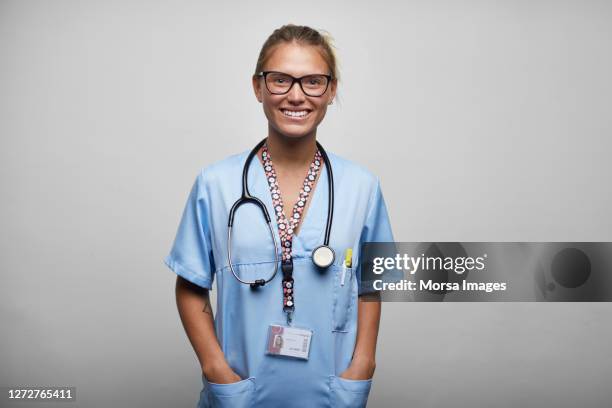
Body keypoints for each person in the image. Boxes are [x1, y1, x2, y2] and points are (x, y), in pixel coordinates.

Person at [164, 24, 394, 408]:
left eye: (313, 82)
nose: (296, 95)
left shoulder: (362, 187)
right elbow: (190, 284)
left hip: (331, 392)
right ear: (258, 87)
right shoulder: (215, 184)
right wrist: (215, 367)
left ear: (331, 90)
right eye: (280, 80)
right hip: (242, 391)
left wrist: (364, 363)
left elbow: (371, 284)